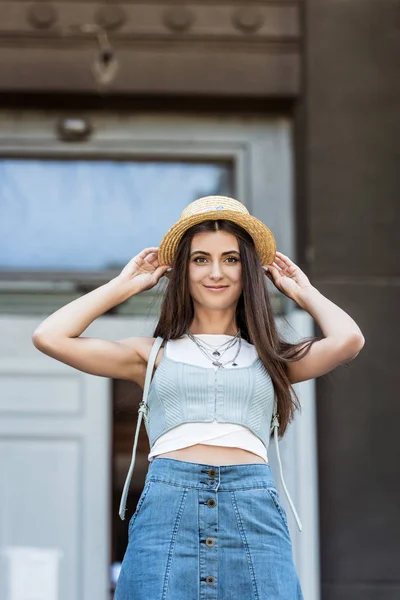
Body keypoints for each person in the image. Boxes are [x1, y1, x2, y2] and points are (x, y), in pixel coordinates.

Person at [32, 195, 365, 599]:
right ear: (183, 270)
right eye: (200, 259)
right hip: (167, 507)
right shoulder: (151, 354)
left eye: (231, 259)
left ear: (248, 269)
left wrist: (303, 291)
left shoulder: (274, 358)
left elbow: (348, 339)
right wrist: (123, 287)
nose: (216, 272)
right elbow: (49, 337)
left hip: (253, 509)